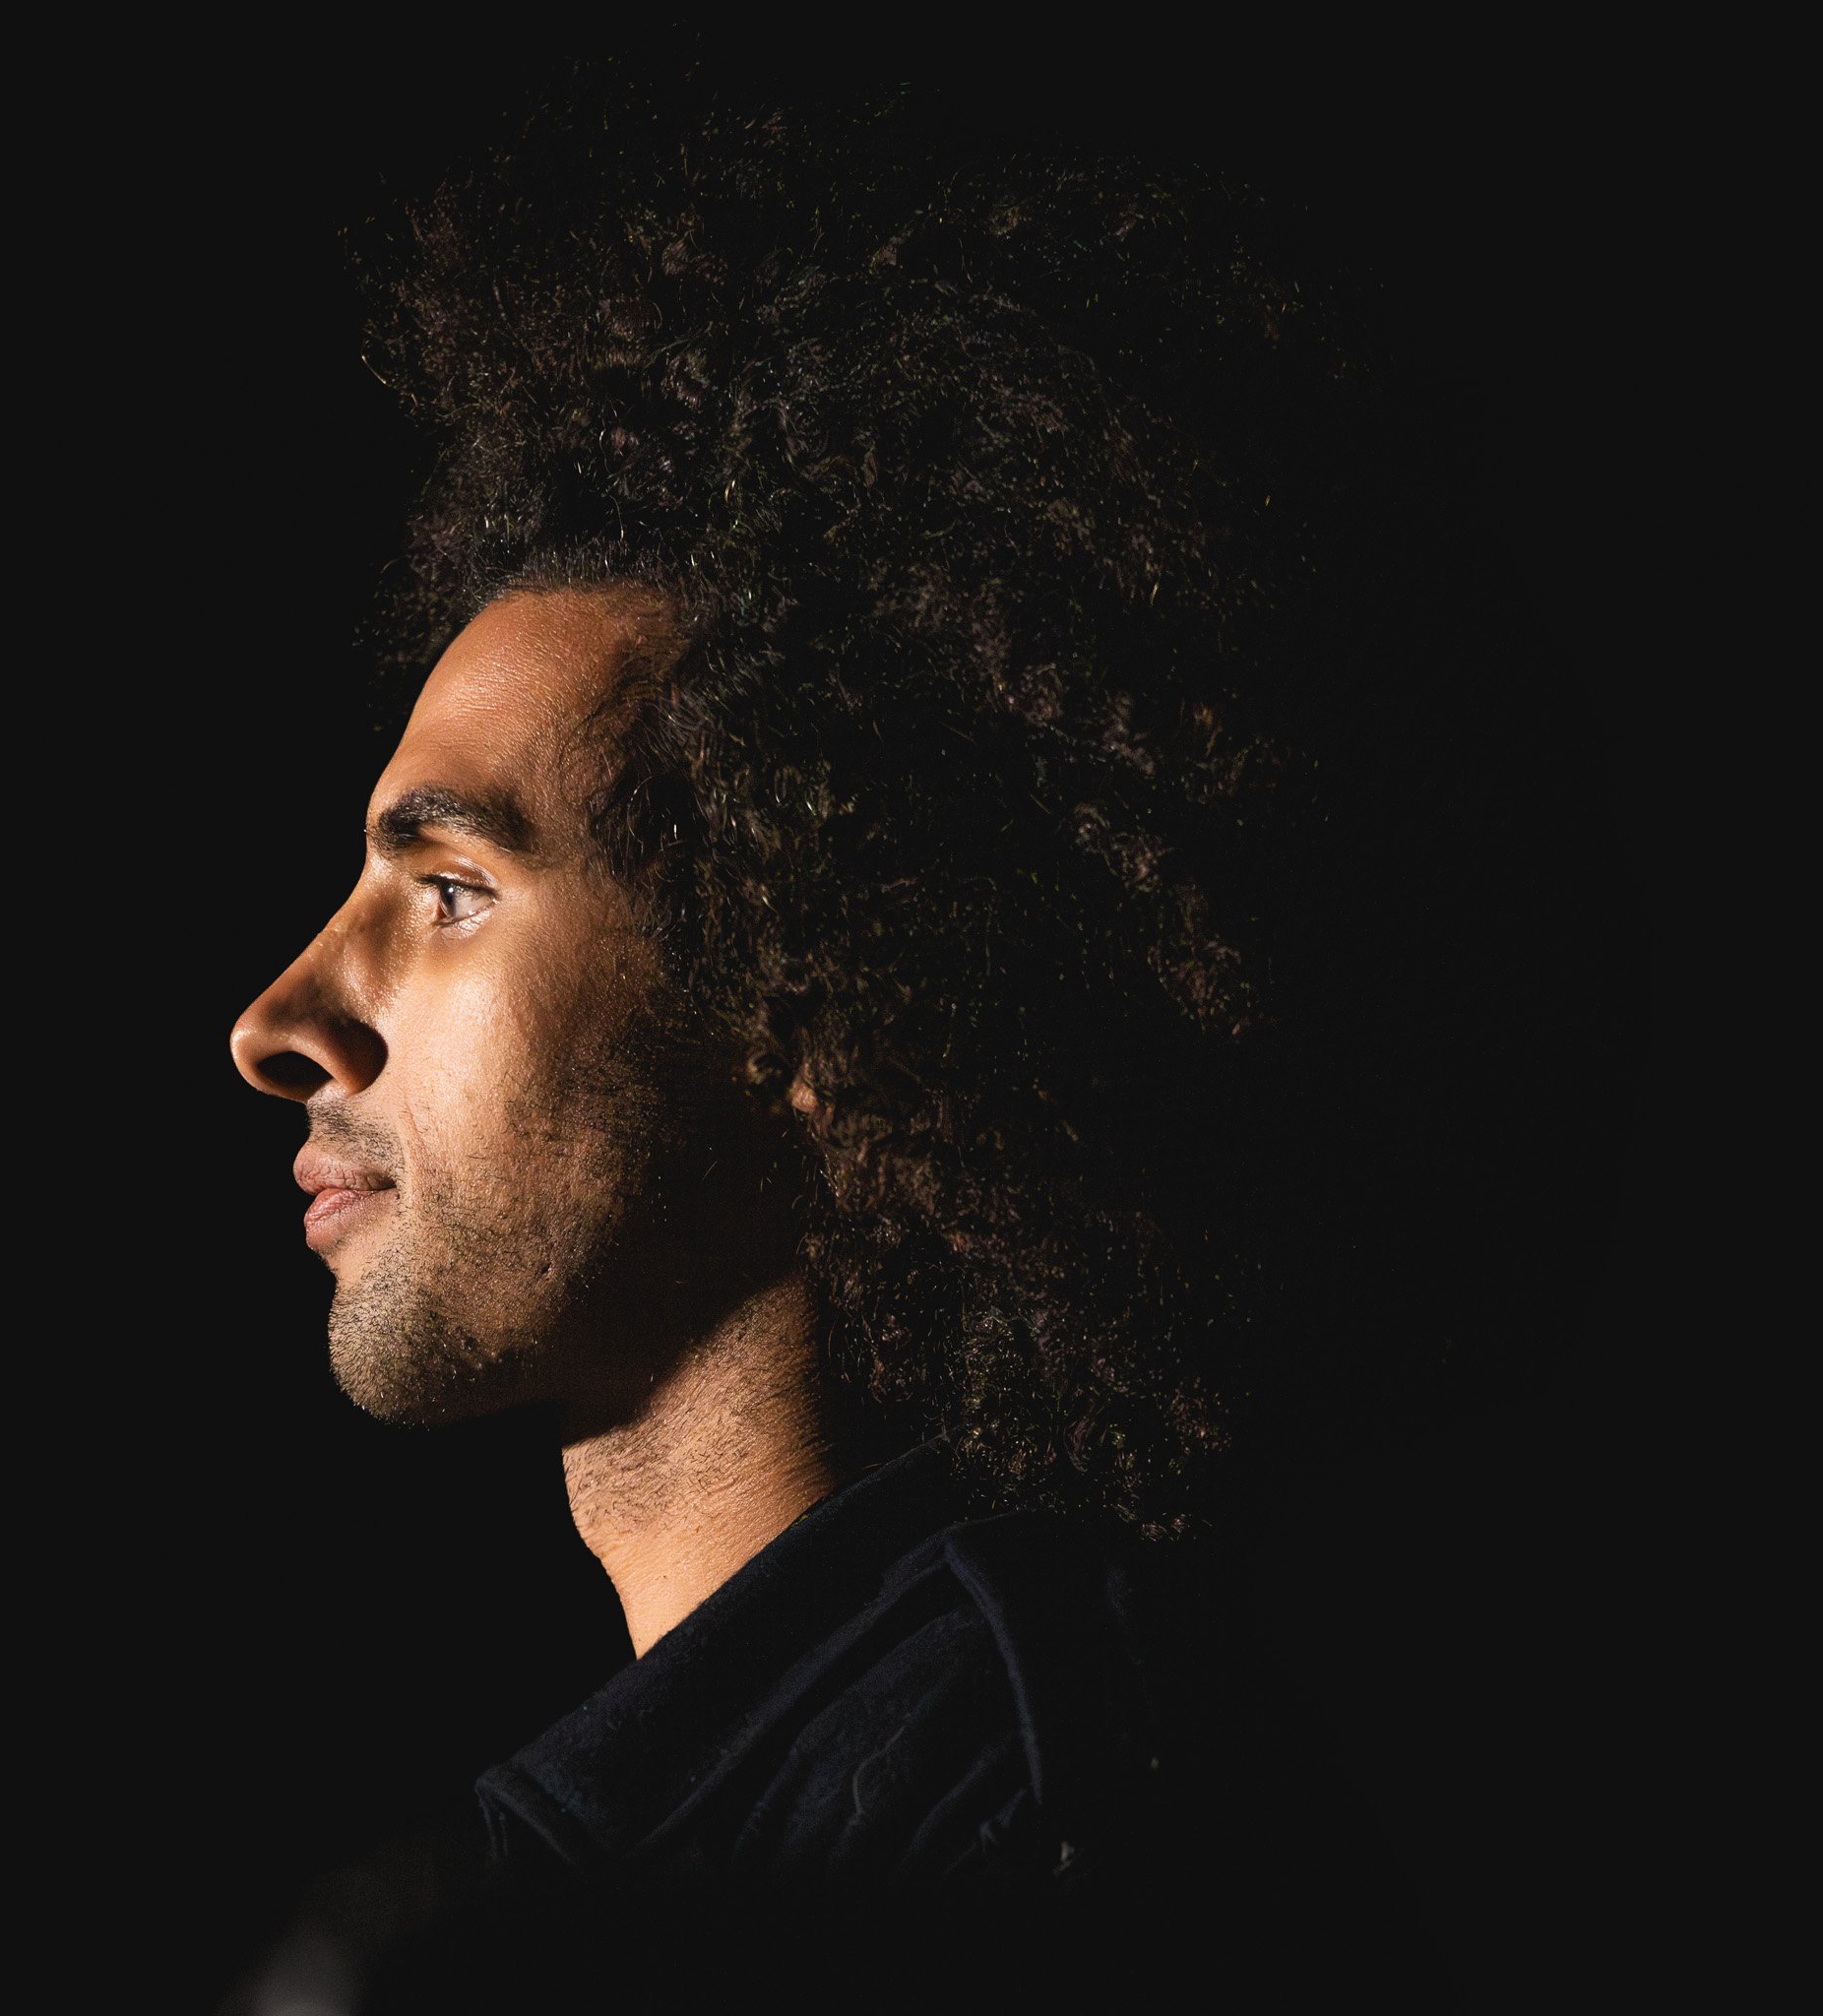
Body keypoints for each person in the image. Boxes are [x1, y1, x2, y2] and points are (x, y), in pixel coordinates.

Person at [225, 97, 1583, 1999]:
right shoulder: (776, 1823)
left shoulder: (1005, 1862)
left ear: (805, 996)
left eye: (447, 890)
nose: (276, 1023)